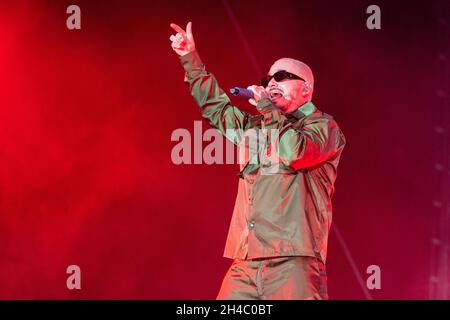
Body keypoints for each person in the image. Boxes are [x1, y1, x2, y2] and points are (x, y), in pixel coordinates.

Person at [169, 22, 346, 300]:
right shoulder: (259, 127)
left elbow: (293, 152)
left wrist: (266, 107)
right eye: (267, 80)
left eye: (282, 76)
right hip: (246, 262)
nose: (271, 82)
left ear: (306, 89)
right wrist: (190, 58)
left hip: (293, 263)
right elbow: (216, 108)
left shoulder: (324, 127)